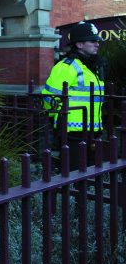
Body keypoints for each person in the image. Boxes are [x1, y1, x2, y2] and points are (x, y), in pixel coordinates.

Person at [42, 21, 105, 168]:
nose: (97, 44)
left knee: (89, 174)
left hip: (93, 130)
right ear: (79, 44)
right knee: (75, 175)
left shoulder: (93, 68)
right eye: (93, 41)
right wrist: (58, 119)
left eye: (97, 41)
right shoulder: (66, 67)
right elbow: (48, 98)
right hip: (72, 132)